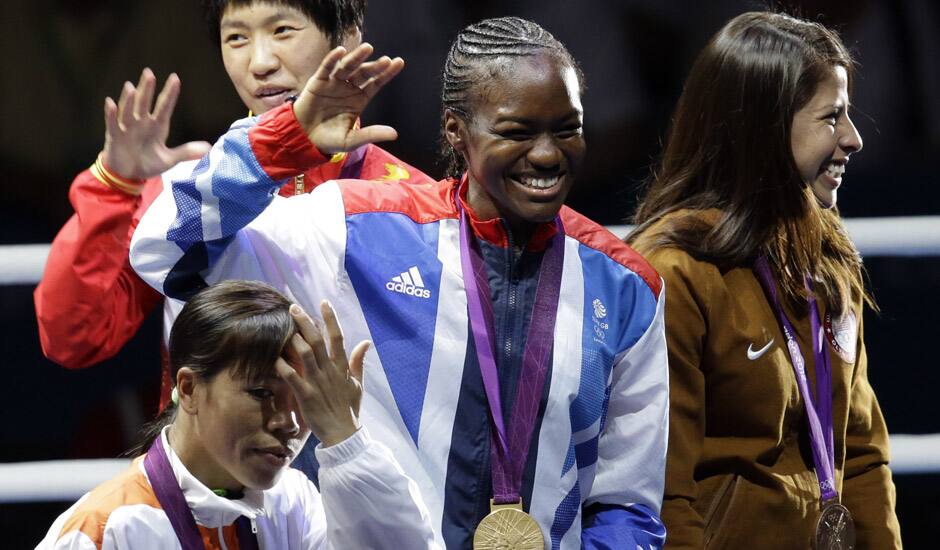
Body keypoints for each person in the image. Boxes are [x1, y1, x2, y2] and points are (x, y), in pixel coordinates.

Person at [131, 17, 669, 549]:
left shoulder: (626, 288)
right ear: (456, 131)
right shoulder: (358, 231)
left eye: (567, 128)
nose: (548, 154)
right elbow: (163, 247)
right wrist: (283, 140)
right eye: (517, 132)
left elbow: (626, 505)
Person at [34, 0, 432, 407]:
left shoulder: (411, 201)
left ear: (346, 37)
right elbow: (73, 338)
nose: (259, 62)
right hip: (213, 468)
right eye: (236, 38)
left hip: (357, 462)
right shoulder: (189, 195)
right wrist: (113, 187)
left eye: (282, 31)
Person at [627, 11, 902, 549]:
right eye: (832, 117)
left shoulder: (826, 254)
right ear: (765, 128)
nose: (853, 138)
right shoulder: (672, 272)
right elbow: (664, 493)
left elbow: (863, 453)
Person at [36, 280, 437, 549]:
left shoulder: (292, 503)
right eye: (262, 393)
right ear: (190, 389)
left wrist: (345, 443)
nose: (291, 423)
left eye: (302, 398)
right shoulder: (105, 530)